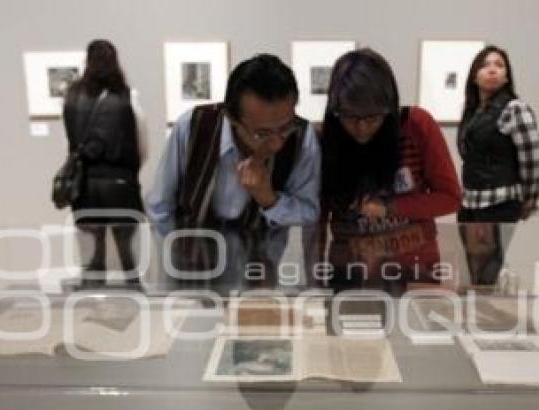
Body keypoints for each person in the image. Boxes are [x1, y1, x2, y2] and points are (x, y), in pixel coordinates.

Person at [319, 48, 461, 290]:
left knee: (412, 326)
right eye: (350, 117)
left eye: (373, 117)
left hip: (414, 267)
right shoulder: (327, 138)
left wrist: (390, 208)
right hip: (350, 269)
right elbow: (319, 215)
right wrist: (314, 270)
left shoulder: (416, 125)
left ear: (389, 108)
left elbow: (450, 198)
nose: (362, 128)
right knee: (349, 326)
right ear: (336, 110)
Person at [144, 53, 320, 236]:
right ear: (231, 118)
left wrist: (269, 200)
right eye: (263, 133)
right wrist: (169, 255)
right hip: (190, 258)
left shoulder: (303, 136)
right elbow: (160, 206)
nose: (277, 143)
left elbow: (309, 213)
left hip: (263, 260)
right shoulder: (193, 126)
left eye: (285, 128)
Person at [62, 39, 148, 286]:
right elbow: (142, 145)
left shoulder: (72, 97)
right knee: (127, 254)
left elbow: (69, 143)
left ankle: (91, 300)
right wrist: (131, 171)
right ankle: (134, 293)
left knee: (94, 252)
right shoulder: (127, 97)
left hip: (86, 184)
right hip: (121, 181)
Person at [457, 45, 539, 223]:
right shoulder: (473, 112)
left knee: (490, 252)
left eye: (499, 65)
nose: (492, 69)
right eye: (485, 65)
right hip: (469, 202)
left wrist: (529, 199)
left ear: (506, 78)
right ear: (474, 76)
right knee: (466, 252)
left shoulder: (515, 109)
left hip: (500, 203)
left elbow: (533, 160)